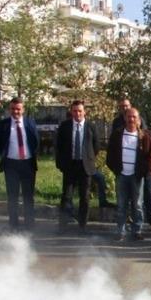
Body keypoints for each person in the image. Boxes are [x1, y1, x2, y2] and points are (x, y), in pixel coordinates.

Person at [106, 107, 151, 242]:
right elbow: (110, 154)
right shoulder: (117, 134)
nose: (131, 119)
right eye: (129, 116)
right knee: (121, 205)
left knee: (137, 205)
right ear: (125, 118)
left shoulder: (145, 136)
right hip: (121, 175)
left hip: (136, 176)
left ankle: (137, 230)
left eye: (134, 117)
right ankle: (120, 231)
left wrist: (145, 172)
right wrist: (116, 169)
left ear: (138, 120)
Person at [55, 100, 99, 234]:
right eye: (75, 111)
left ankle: (82, 226)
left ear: (84, 112)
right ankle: (63, 225)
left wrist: (89, 159)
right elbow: (59, 146)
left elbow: (96, 146)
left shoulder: (91, 126)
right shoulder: (65, 126)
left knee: (84, 197)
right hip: (70, 165)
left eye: (80, 111)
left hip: (85, 166)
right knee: (66, 196)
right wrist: (61, 164)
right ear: (71, 112)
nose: (77, 114)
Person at [0, 97, 38, 233]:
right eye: (13, 109)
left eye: (18, 109)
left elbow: (35, 141)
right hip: (11, 165)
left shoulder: (30, 123)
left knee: (28, 196)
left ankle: (29, 225)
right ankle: (13, 225)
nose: (15, 111)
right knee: (12, 196)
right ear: (9, 109)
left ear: (23, 109)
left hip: (28, 164)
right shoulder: (3, 124)